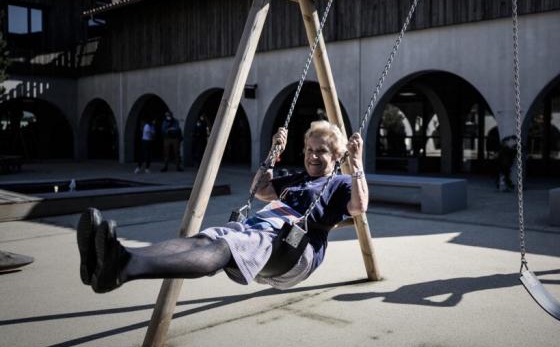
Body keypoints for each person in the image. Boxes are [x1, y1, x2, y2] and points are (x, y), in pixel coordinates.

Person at [76, 120, 368, 293]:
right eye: (309, 150)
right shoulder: (297, 178)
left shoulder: (340, 182)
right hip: (260, 230)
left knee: (226, 248)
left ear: (337, 156)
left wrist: (356, 166)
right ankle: (111, 259)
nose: (313, 156)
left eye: (322, 151)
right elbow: (260, 190)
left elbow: (359, 207)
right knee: (206, 239)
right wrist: (272, 154)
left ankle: (123, 267)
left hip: (294, 249)